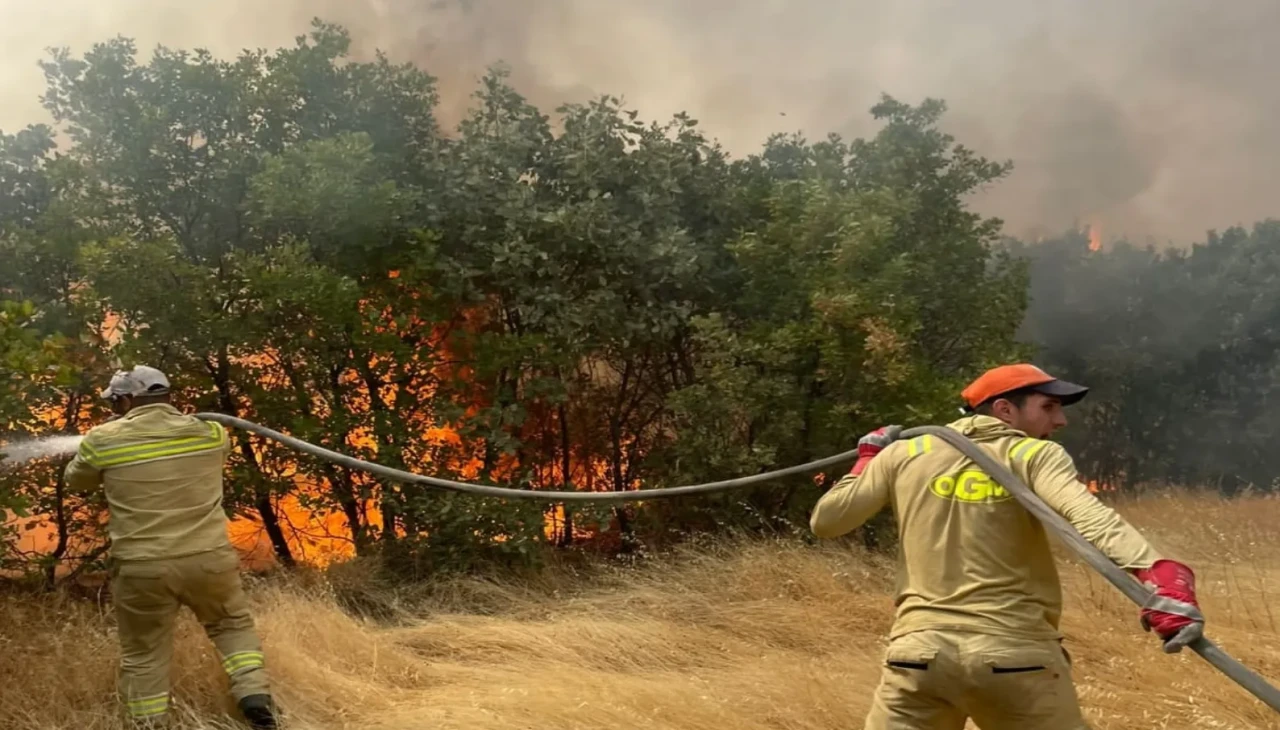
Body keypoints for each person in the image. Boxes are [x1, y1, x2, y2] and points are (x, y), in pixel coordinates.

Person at [810, 363, 1204, 730]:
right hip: (1016, 661)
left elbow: (828, 521)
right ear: (1004, 409)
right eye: (1048, 407)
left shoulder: (906, 452)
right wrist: (1159, 573)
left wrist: (866, 461)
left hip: (917, 658)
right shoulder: (1032, 453)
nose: (1060, 420)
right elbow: (1087, 516)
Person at [64, 365, 278, 729]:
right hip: (208, 559)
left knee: (144, 652)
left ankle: (148, 724)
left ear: (129, 399)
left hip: (142, 566)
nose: (114, 410)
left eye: (116, 403)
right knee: (230, 625)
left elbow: (76, 480)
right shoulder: (210, 434)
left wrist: (101, 441)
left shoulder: (102, 440)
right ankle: (253, 695)